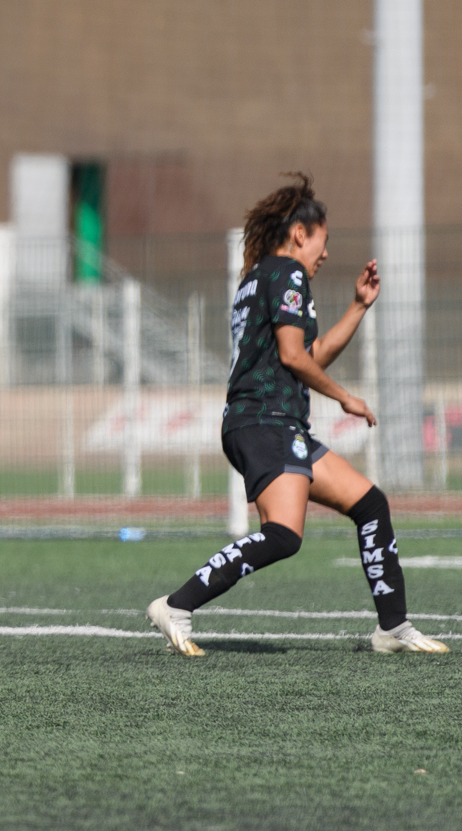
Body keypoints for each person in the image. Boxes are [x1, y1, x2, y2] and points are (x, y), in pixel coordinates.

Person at [147, 174, 448, 656]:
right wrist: (345, 398)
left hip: (272, 422)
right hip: (265, 421)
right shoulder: (288, 274)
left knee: (370, 505)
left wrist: (357, 306)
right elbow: (293, 357)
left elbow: (307, 354)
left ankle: (393, 628)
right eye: (323, 240)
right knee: (284, 535)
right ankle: (176, 605)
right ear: (301, 233)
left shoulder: (257, 278)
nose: (325, 253)